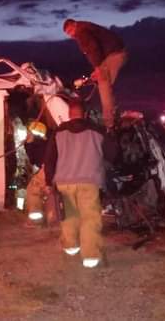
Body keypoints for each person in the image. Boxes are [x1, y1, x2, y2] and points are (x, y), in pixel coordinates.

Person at [43, 99, 118, 268]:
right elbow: (112, 154)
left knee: (68, 216)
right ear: (85, 114)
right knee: (90, 218)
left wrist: (49, 181)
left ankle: (70, 246)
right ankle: (90, 256)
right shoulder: (97, 131)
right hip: (89, 181)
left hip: (64, 182)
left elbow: (50, 159)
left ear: (69, 115)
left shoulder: (59, 132)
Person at [63, 18, 128, 129]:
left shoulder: (81, 32)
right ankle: (114, 115)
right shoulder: (86, 27)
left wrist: (98, 67)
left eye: (70, 31)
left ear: (74, 25)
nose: (71, 35)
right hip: (117, 53)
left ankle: (109, 123)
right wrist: (97, 69)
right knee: (104, 82)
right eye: (68, 34)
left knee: (103, 83)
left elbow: (93, 48)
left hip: (115, 54)